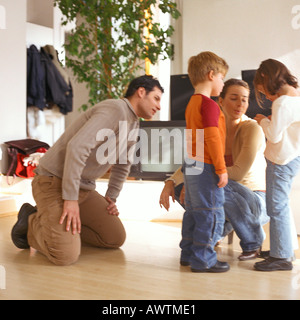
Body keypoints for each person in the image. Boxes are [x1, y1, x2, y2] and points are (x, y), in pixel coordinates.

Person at [11, 75, 164, 266]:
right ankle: (31, 222)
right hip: (52, 182)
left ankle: (61, 230)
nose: (159, 106)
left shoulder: (133, 122)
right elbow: (77, 147)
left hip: (83, 189)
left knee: (114, 238)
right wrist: (70, 199)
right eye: (156, 98)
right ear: (141, 92)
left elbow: (123, 164)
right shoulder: (115, 109)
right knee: (65, 256)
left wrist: (111, 197)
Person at [160, 79, 269, 261]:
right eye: (234, 98)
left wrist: (197, 180)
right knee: (182, 187)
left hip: (255, 201)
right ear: (221, 101)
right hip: (225, 196)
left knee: (210, 183)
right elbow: (195, 159)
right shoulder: (214, 126)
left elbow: (239, 172)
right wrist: (171, 182)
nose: (240, 104)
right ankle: (213, 232)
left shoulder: (252, 128)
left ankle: (253, 241)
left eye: (244, 99)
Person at [180, 51, 229, 273]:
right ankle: (204, 260)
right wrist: (221, 168)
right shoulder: (209, 105)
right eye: (222, 78)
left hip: (192, 163)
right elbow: (211, 138)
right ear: (211, 75)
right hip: (207, 165)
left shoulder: (192, 103)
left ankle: (188, 254)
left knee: (193, 211)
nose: (223, 83)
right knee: (210, 212)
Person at [253, 59, 300, 271]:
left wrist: (262, 120)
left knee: (276, 207)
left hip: (280, 160)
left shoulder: (282, 103)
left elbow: (272, 135)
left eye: (263, 92)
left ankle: (280, 256)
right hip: (292, 157)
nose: (266, 97)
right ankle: (283, 249)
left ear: (267, 78)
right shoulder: (296, 97)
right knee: (282, 206)